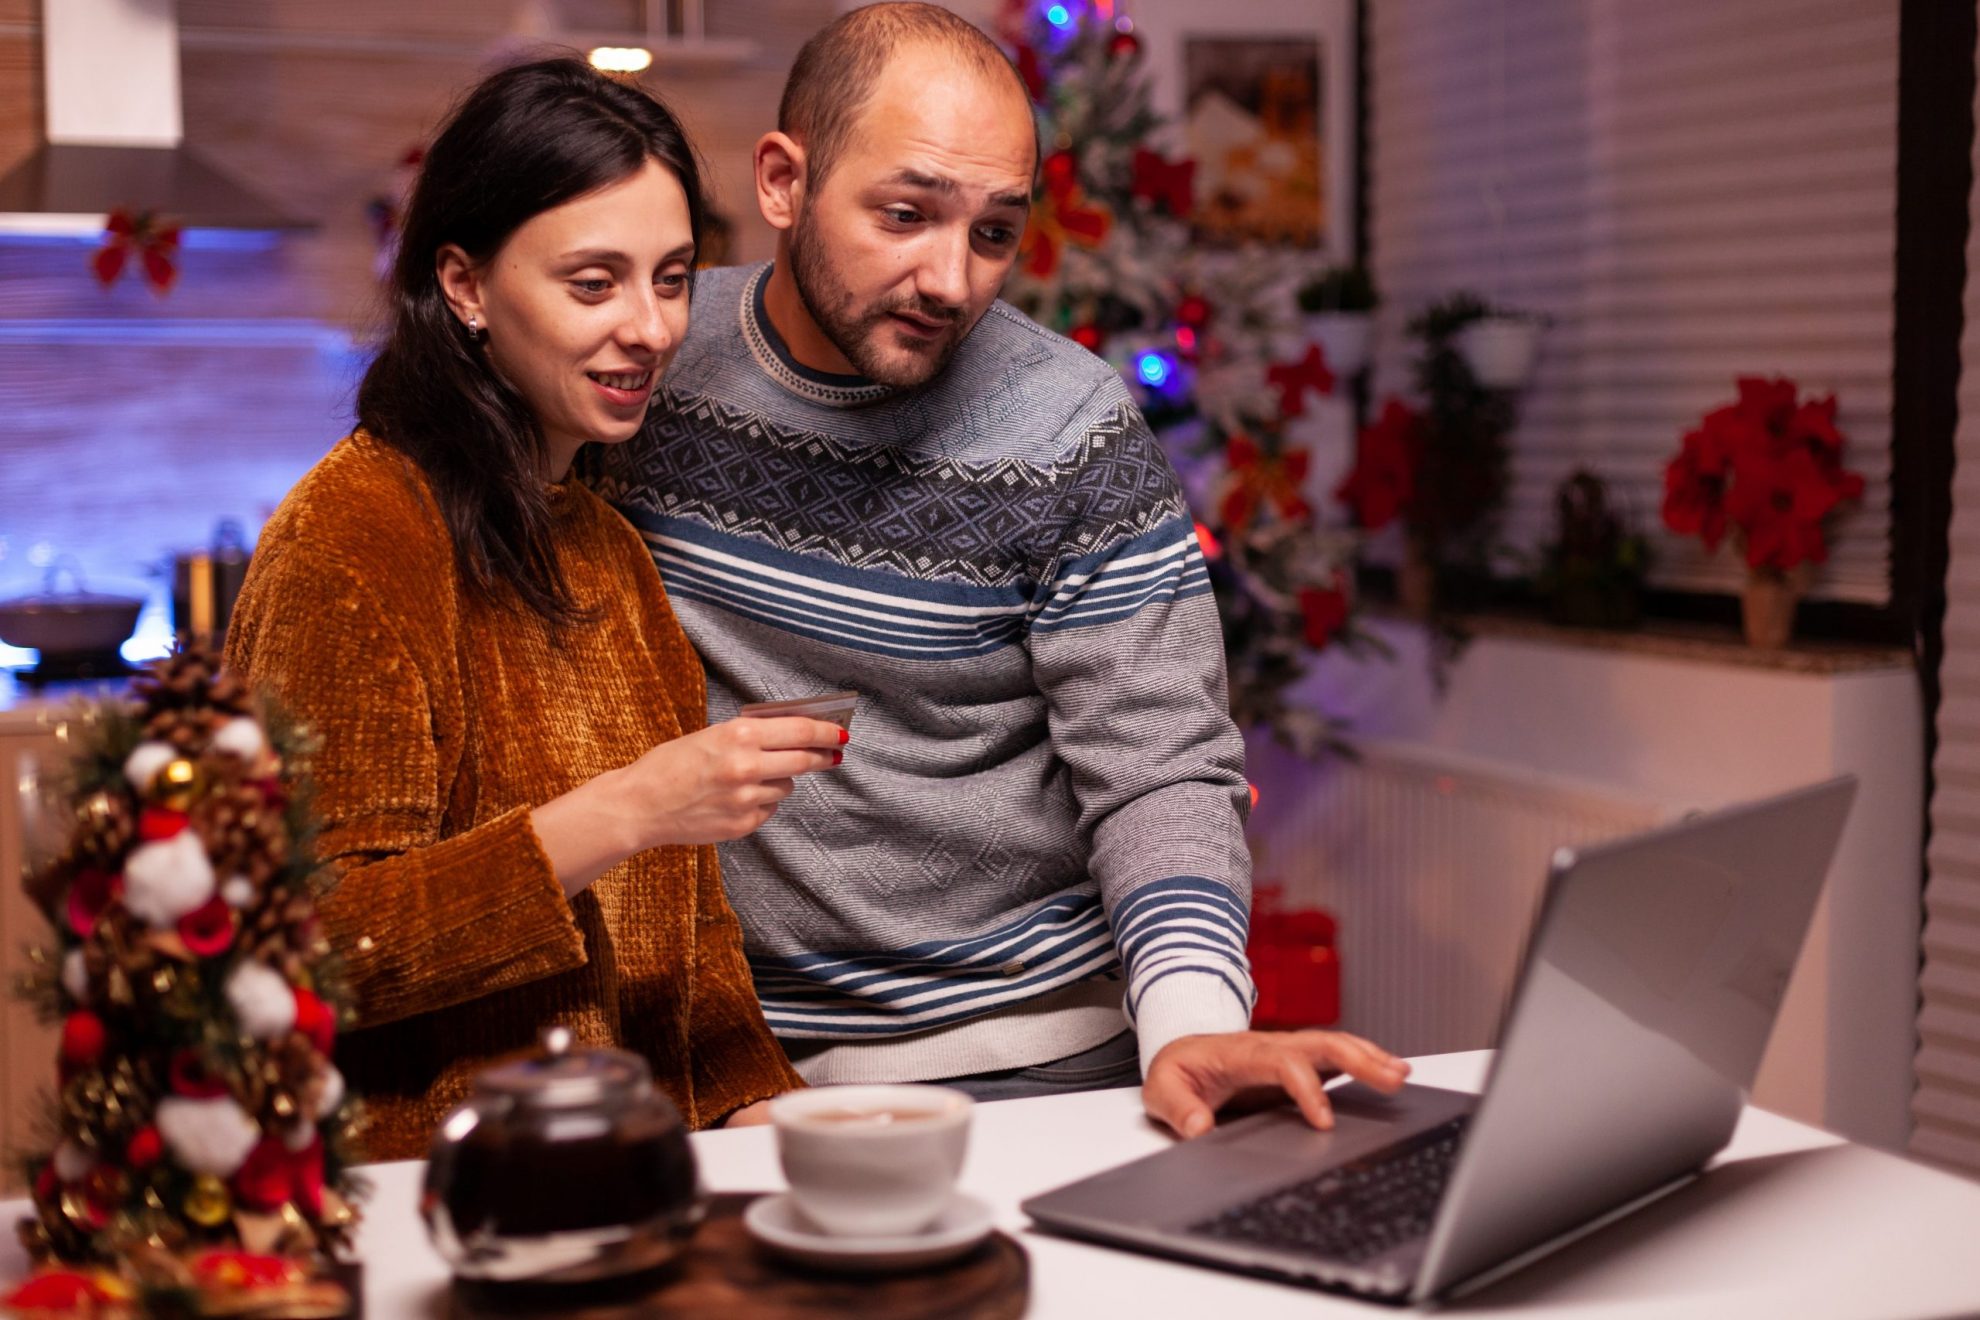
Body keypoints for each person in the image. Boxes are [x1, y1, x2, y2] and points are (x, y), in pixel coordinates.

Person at [588, 3, 1408, 1139]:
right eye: (906, 213)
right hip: (719, 1067)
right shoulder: (647, 366)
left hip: (1032, 1058)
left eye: (992, 234)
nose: (950, 279)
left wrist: (1189, 1020)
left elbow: (1163, 767)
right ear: (783, 181)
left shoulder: (1068, 427)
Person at [225, 58, 845, 1160]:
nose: (652, 328)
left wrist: (781, 1128)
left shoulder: (603, 542)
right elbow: (306, 946)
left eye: (670, 277)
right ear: (464, 287)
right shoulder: (352, 536)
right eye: (593, 282)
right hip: (432, 1199)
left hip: (632, 1183)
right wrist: (630, 808)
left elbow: (694, 948)